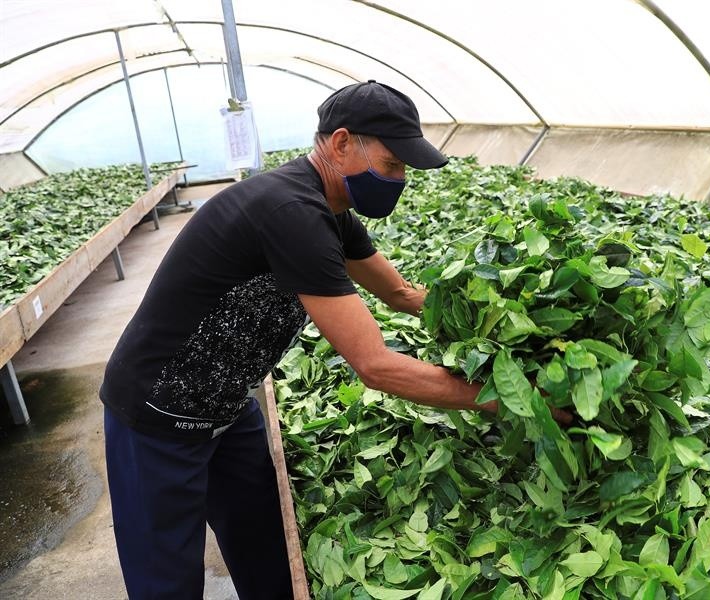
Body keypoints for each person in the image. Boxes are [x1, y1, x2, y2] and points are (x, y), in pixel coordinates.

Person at [100, 80, 569, 599]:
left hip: (228, 403)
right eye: (392, 165)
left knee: (266, 545)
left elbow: (402, 294)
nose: (399, 179)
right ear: (342, 144)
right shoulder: (290, 213)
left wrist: (512, 325)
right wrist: (513, 401)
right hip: (158, 410)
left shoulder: (333, 212)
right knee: (166, 578)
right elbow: (374, 366)